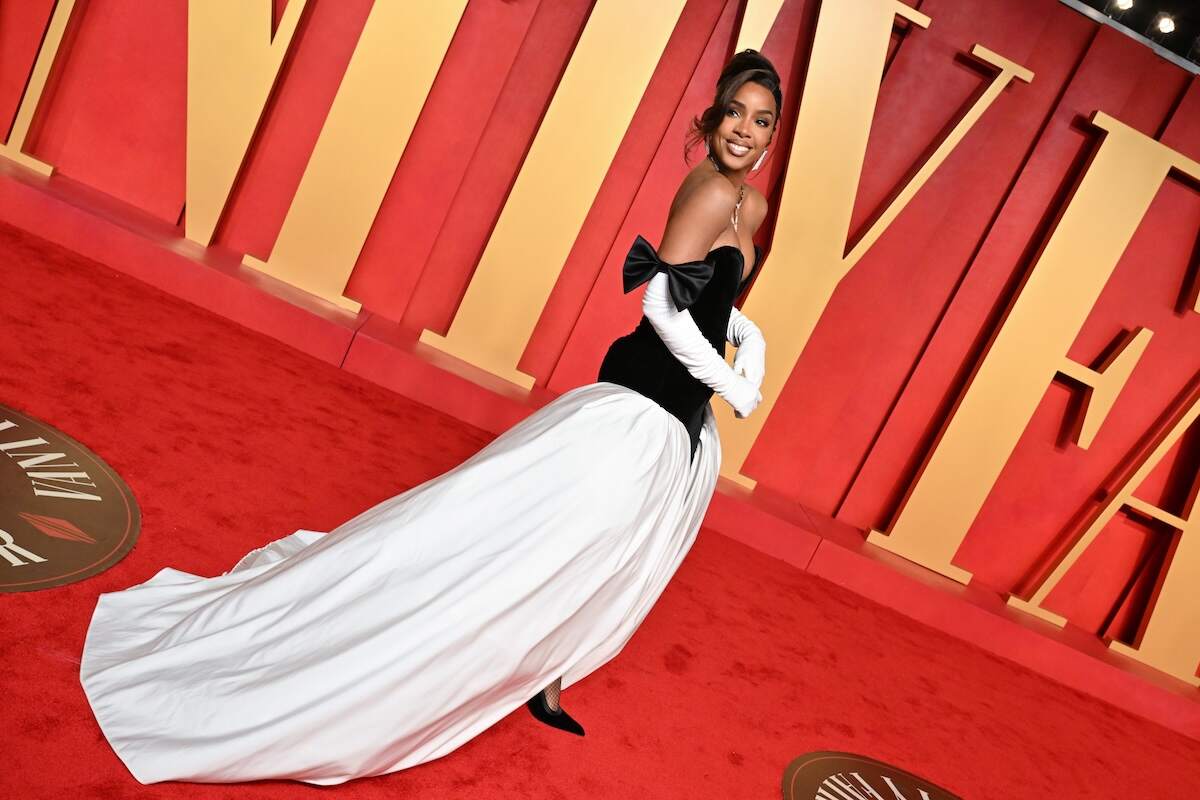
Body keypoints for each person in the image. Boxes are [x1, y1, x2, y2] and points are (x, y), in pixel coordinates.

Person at [78, 49, 782, 785]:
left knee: (600, 556)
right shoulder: (704, 189)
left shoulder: (752, 207)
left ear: (772, 138)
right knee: (512, 544)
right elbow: (660, 303)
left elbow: (713, 301)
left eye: (760, 121)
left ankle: (544, 672)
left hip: (680, 418)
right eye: (734, 111)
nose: (744, 130)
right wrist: (721, 377)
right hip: (637, 407)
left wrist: (747, 345)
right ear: (712, 117)